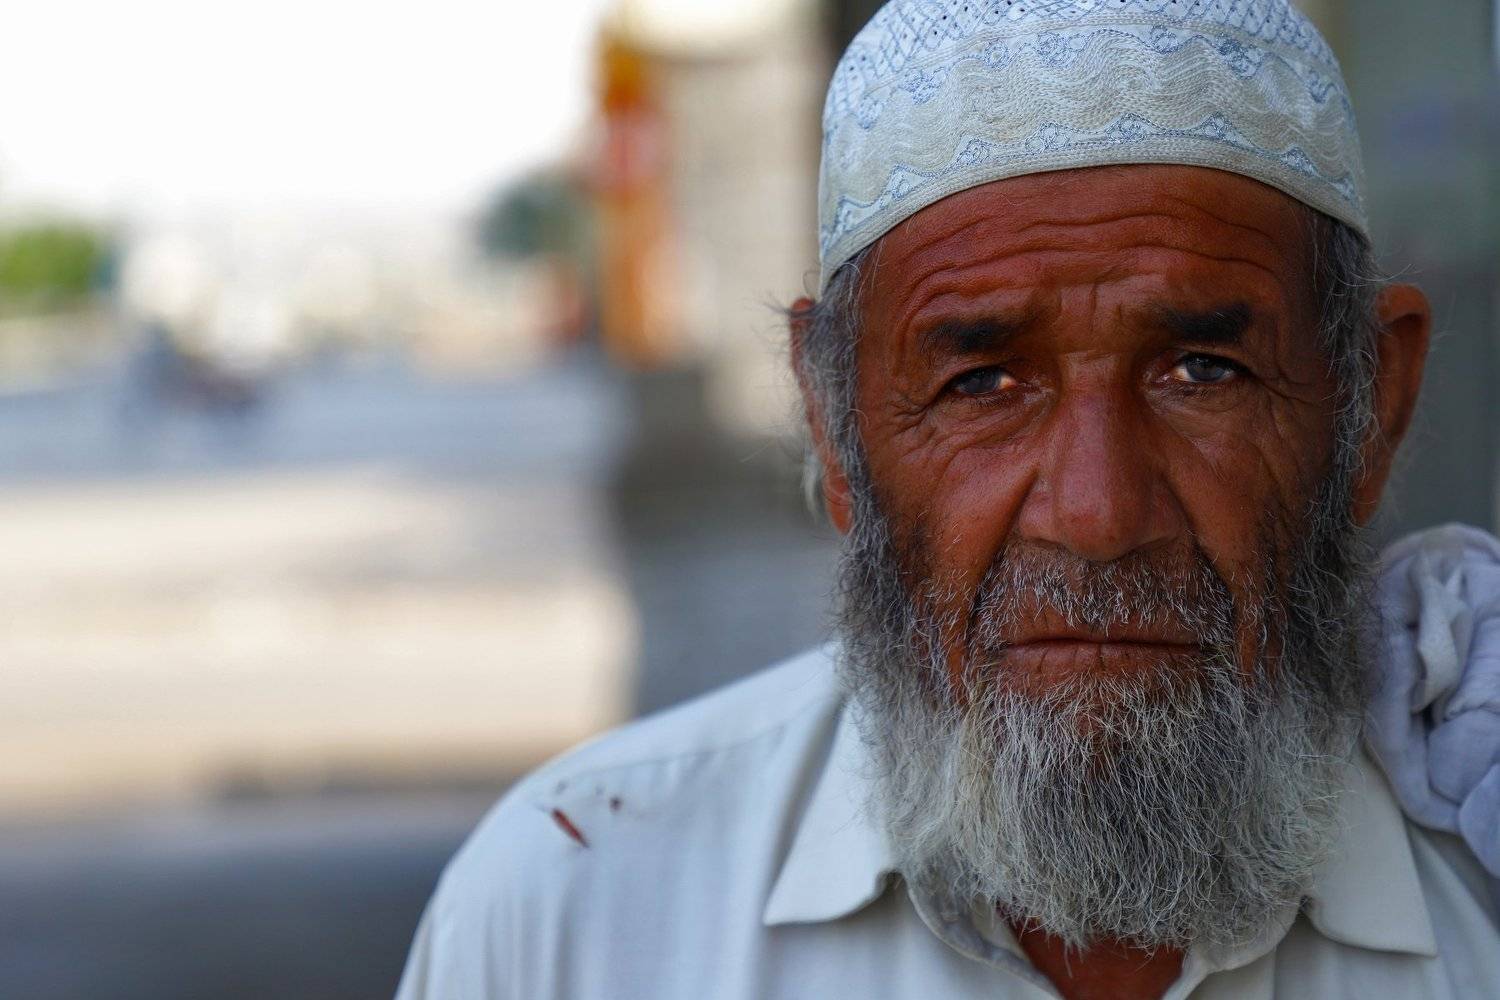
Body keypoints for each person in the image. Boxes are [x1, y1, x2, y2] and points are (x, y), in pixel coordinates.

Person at [396, 2, 1500, 996]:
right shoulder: (572, 908)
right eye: (982, 384)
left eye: (1201, 372)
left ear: (1373, 407)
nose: (1097, 516)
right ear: (835, 426)